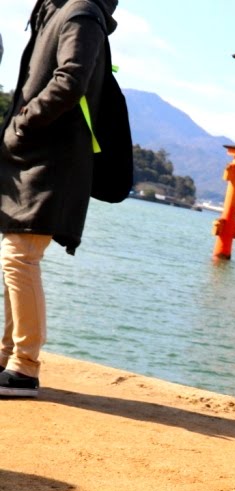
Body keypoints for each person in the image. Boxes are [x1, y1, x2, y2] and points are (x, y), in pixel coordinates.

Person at [0, 0, 118, 398]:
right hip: (32, 156)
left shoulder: (81, 12)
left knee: (20, 256)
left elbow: (70, 79)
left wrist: (22, 124)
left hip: (51, 161)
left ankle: (25, 369)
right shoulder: (55, 10)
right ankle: (8, 357)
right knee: (16, 256)